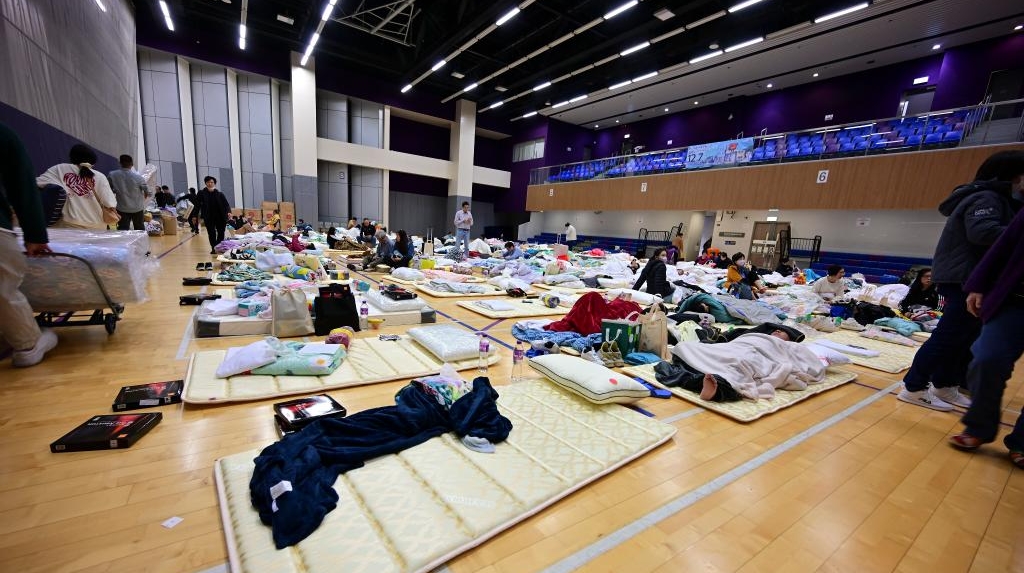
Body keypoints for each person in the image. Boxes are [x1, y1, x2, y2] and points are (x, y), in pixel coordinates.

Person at [899, 150, 1024, 411]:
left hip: (971, 276)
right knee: (950, 335)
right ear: (1013, 176)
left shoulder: (998, 199)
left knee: (964, 336)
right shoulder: (986, 198)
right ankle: (913, 386)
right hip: (963, 277)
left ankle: (944, 384)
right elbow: (982, 232)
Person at [947, 207, 1024, 469]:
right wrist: (978, 285)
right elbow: (1004, 246)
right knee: (987, 358)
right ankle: (979, 426)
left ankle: (1023, 442)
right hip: (1015, 302)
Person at [0, 123, 58, 367]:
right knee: (4, 289)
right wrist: (35, 233)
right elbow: (23, 186)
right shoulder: (5, 135)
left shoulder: (56, 171)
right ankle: (28, 343)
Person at [655, 329, 825, 402]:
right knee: (684, 347)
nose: (777, 332)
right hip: (732, 347)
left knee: (737, 363)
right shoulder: (756, 335)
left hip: (751, 355)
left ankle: (715, 388)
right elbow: (733, 343)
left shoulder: (789, 347)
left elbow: (810, 364)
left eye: (782, 333)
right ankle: (697, 378)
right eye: (776, 330)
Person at [36, 144, 118, 230]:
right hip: (97, 227)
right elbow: (110, 203)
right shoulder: (100, 176)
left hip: (67, 227)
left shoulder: (59, 169)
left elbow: (37, 183)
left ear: (71, 156)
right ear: (92, 160)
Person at [107, 154, 149, 231]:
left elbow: (108, 190)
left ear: (120, 163)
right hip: (137, 208)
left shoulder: (112, 175)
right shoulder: (139, 178)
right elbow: (147, 192)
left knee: (123, 230)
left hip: (121, 208)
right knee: (139, 229)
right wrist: (143, 198)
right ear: (132, 164)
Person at [198, 175, 231, 254]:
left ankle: (218, 247)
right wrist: (195, 216)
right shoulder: (201, 193)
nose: (210, 184)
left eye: (212, 182)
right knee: (211, 233)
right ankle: (213, 248)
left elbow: (226, 205)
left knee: (221, 232)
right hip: (209, 217)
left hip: (220, 217)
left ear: (214, 183)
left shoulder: (220, 194)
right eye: (208, 182)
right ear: (205, 183)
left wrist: (229, 212)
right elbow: (197, 205)